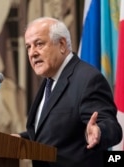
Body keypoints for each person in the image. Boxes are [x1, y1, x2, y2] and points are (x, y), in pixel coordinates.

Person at [12, 17, 123, 167]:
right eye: (28, 47)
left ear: (62, 45)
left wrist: (99, 132)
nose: (32, 53)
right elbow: (55, 133)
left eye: (39, 44)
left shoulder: (88, 79)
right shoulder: (49, 82)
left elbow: (112, 126)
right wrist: (21, 138)